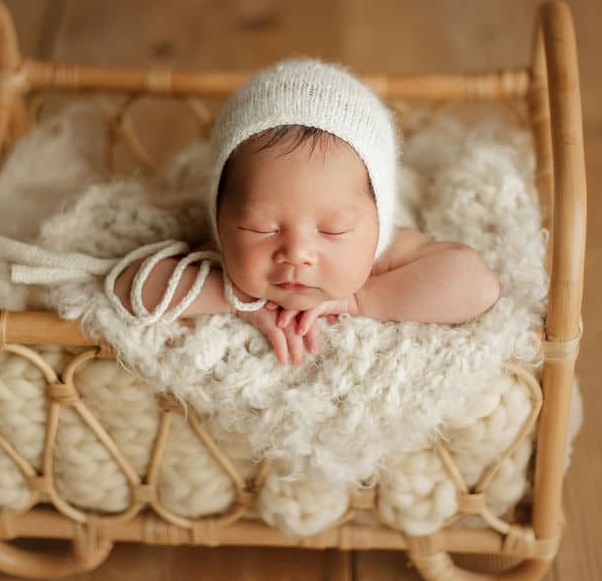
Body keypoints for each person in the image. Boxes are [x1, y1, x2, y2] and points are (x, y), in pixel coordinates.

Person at [113, 58, 499, 366]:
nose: (296, 253)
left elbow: (476, 285)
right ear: (220, 218)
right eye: (261, 228)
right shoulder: (224, 256)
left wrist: (360, 300)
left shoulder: (384, 250)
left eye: (333, 230)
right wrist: (234, 298)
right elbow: (128, 287)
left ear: (376, 223)